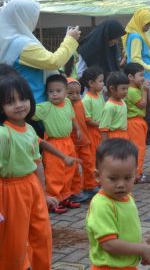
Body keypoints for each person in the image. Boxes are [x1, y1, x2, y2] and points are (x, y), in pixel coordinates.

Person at [0, 75, 79, 270]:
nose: (19, 105)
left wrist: (44, 194)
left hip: (32, 187)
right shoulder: (3, 134)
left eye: (23, 99)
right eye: (10, 101)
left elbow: (38, 164)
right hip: (10, 191)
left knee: (42, 234)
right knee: (14, 242)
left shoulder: (28, 129)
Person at [86, 138, 150, 269]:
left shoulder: (128, 198)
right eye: (113, 178)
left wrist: (142, 246)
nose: (121, 185)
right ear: (97, 175)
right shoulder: (102, 204)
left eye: (128, 178)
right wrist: (140, 249)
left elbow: (131, 230)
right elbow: (109, 244)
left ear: (136, 173)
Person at [0, 0, 81, 103]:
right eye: (32, 16)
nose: (35, 21)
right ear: (23, 17)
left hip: (21, 101)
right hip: (33, 104)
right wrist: (70, 39)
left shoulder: (8, 40)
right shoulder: (21, 44)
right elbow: (53, 62)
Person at [33, 74, 82, 213]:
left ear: (66, 91)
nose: (54, 94)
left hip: (68, 141)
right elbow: (29, 111)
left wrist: (77, 129)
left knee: (69, 170)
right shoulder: (45, 107)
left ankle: (65, 196)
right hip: (53, 145)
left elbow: (72, 117)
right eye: (50, 91)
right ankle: (53, 199)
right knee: (54, 173)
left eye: (58, 91)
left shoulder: (67, 102)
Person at [67, 78, 98, 202]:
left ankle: (90, 186)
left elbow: (86, 120)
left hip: (84, 140)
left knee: (89, 163)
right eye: (70, 93)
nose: (75, 96)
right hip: (71, 142)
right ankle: (75, 191)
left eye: (77, 93)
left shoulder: (81, 103)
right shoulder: (64, 106)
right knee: (74, 167)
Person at [123, 63, 150, 184]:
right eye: (141, 75)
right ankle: (137, 175)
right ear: (130, 77)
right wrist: (144, 90)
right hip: (135, 122)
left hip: (136, 122)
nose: (143, 78)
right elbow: (143, 104)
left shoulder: (133, 89)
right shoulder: (132, 91)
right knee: (139, 149)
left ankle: (133, 173)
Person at [123, 9, 150, 86]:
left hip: (140, 72)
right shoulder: (136, 37)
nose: (148, 28)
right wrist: (149, 67)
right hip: (142, 73)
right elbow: (135, 59)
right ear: (140, 21)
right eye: (146, 24)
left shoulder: (133, 35)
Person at [81, 67, 105, 166]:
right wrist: (101, 124)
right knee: (95, 155)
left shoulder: (100, 95)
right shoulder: (86, 100)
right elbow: (88, 120)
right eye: (100, 81)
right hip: (93, 132)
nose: (103, 83)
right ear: (91, 83)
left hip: (102, 129)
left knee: (103, 154)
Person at [99, 72, 129, 141]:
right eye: (123, 89)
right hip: (114, 137)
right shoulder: (109, 106)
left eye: (127, 88)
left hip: (124, 135)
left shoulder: (123, 102)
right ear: (112, 89)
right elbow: (104, 129)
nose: (126, 91)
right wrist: (106, 146)